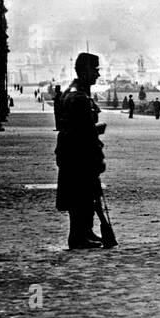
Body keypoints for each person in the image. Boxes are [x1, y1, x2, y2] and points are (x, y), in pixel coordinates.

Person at [55, 53, 108, 250]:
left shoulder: (73, 92)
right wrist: (98, 158)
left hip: (71, 153)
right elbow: (86, 134)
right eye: (94, 70)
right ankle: (78, 236)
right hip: (80, 155)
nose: (97, 75)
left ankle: (84, 231)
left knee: (83, 194)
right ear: (85, 71)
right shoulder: (79, 97)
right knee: (81, 195)